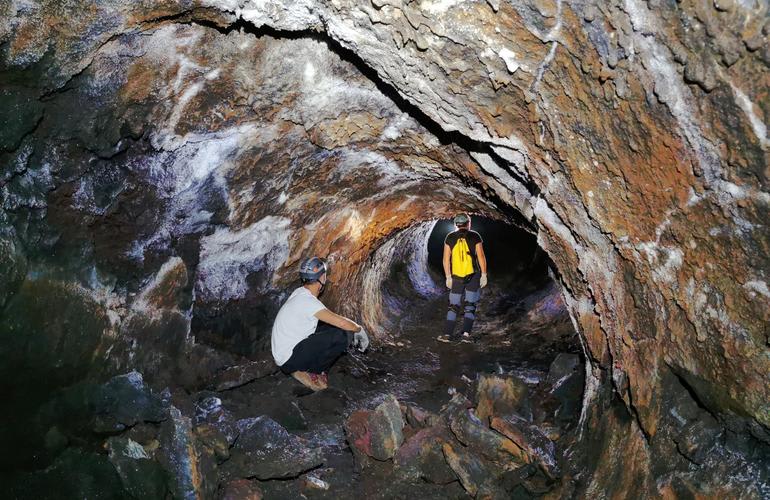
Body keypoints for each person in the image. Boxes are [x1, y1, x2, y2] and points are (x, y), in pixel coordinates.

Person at [271, 256, 369, 391]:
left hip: (284, 353)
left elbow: (330, 319)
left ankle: (303, 367)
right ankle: (314, 370)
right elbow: (342, 323)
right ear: (321, 278)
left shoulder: (299, 293)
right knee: (343, 334)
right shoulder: (309, 302)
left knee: (327, 328)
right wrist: (359, 329)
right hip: (289, 359)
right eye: (324, 276)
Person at [438, 213, 488, 343]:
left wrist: (448, 277)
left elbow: (445, 259)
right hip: (473, 275)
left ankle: (447, 335)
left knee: (453, 306)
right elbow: (481, 257)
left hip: (456, 276)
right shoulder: (475, 236)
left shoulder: (450, 237)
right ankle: (466, 335)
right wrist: (484, 274)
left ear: (456, 225)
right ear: (468, 223)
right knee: (470, 305)